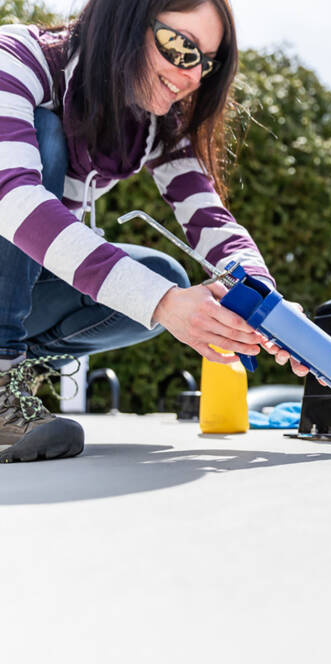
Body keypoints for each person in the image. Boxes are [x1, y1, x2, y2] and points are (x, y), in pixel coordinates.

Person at [0, 0, 305, 462]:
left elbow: (210, 220)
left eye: (207, 62)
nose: (193, 77)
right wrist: (159, 303)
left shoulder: (156, 124)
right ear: (125, 22)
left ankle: (15, 376)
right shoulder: (18, 58)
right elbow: (13, 197)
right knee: (45, 136)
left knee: (163, 274)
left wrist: (267, 307)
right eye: (182, 49)